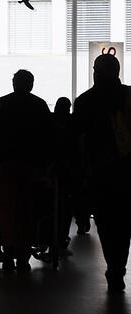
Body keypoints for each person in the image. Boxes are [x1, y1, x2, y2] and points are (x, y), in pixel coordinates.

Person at [72, 54, 131, 292]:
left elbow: (76, 136)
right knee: (126, 222)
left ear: (96, 72)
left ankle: (114, 267)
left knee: (107, 224)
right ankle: (120, 266)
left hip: (100, 174)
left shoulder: (86, 101)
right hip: (128, 172)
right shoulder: (130, 96)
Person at [0, 70, 53, 271]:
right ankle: (23, 255)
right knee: (27, 209)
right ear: (31, 85)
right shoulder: (39, 105)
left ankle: (8, 251)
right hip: (32, 167)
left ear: (14, 84)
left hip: (5, 165)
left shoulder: (2, 104)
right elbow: (48, 138)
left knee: (7, 209)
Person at [52, 97, 74, 257]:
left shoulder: (50, 122)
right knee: (65, 209)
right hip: (68, 172)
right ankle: (61, 242)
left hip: (51, 171)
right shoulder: (72, 122)